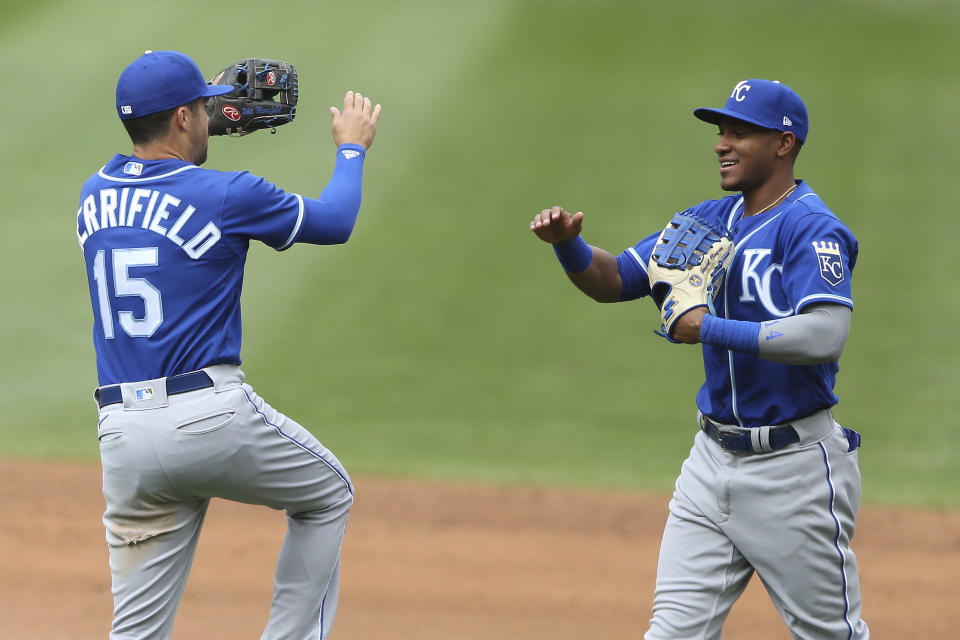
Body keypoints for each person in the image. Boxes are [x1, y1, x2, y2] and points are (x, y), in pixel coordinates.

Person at [530, 79, 868, 639]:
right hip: (709, 465)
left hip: (794, 472)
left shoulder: (811, 228)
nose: (720, 143)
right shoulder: (708, 219)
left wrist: (708, 328)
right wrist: (568, 245)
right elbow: (614, 280)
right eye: (720, 131)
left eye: (740, 132)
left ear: (784, 144)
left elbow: (826, 334)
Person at [76, 50, 380, 639]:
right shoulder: (229, 194)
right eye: (201, 108)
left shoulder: (93, 196)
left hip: (122, 436)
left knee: (135, 632)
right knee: (327, 494)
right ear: (184, 119)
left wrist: (202, 114)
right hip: (208, 420)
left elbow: (163, 179)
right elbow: (336, 219)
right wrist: (351, 147)